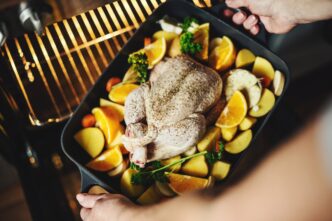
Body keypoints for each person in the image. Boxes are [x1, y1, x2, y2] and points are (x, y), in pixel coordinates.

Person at [76, 0, 332, 220]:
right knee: (164, 109)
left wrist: (127, 217)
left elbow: (227, 213)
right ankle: (140, 142)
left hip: (186, 86)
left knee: (163, 110)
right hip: (180, 86)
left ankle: (142, 145)